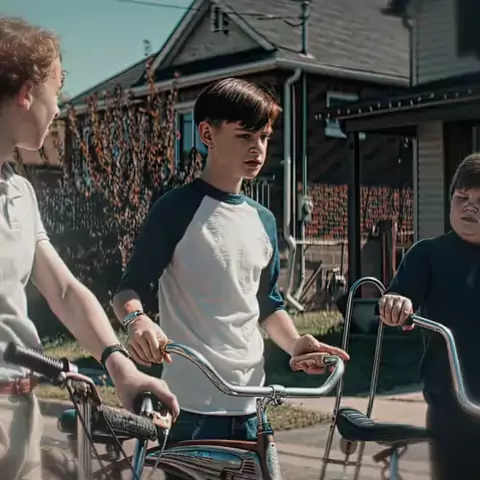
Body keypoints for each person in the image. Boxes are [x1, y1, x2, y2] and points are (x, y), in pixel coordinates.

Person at [113, 77, 350, 450]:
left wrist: (296, 344)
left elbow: (267, 304)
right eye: (244, 136)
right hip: (190, 410)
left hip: (253, 406)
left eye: (264, 137)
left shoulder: (264, 220)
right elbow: (129, 288)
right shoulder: (175, 210)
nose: (257, 148)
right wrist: (136, 320)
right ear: (207, 133)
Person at [0, 16, 179, 479]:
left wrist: (121, 367)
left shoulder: (19, 192)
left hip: (21, 410)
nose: (58, 108)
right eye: (55, 91)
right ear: (26, 92)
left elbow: (63, 290)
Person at [378, 153, 480, 480]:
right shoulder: (428, 254)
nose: (470, 207)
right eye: (462, 198)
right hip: (454, 404)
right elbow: (401, 296)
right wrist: (396, 303)